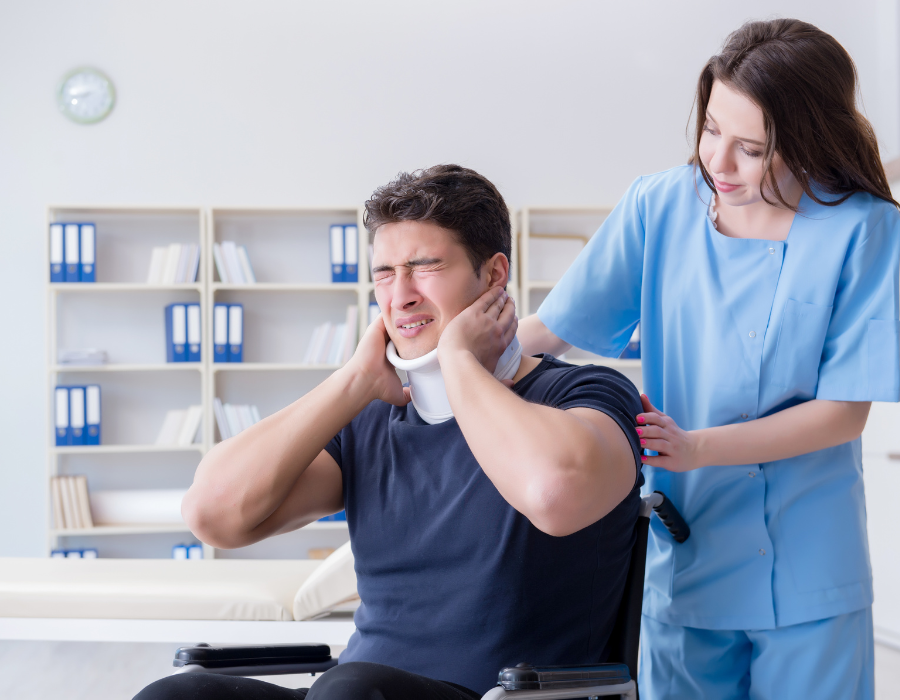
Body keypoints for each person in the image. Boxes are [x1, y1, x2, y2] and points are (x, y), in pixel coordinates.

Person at [136, 165, 645, 700]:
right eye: (384, 273)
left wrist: (459, 362)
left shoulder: (588, 395)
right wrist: (353, 381)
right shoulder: (372, 416)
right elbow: (213, 514)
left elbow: (554, 494)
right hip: (354, 693)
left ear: (494, 276)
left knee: (352, 690)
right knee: (173, 696)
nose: (400, 295)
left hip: (500, 695)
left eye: (425, 268)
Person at [517, 18, 900, 700]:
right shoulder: (659, 205)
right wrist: (444, 368)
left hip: (812, 563)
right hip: (689, 553)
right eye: (711, 130)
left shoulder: (864, 228)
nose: (718, 164)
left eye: (750, 148)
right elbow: (551, 329)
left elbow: (844, 413)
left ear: (810, 139)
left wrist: (697, 446)